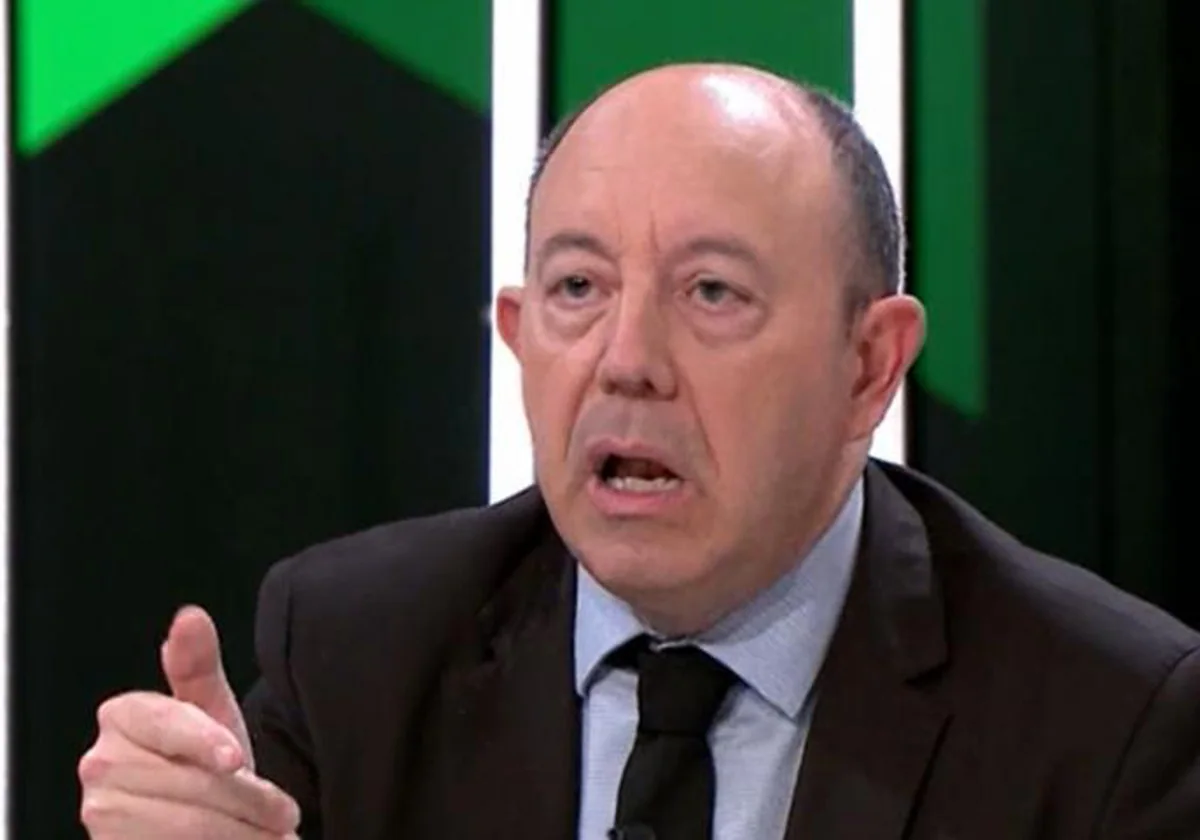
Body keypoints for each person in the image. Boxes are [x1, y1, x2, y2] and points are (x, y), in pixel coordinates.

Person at [77, 62, 1200, 840]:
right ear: (518, 337)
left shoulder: (1107, 725)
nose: (627, 361)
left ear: (869, 366)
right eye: (578, 288)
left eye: (712, 293)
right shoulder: (360, 653)